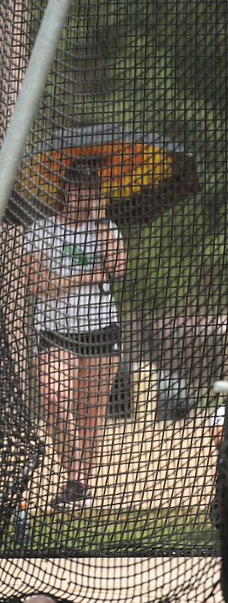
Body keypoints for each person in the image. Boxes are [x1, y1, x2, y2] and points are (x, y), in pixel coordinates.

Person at [23, 163, 127, 510]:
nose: (86, 196)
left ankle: (79, 485)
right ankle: (73, 474)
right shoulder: (40, 231)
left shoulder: (106, 228)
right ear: (65, 192)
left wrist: (99, 222)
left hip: (100, 328)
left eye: (93, 191)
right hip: (56, 331)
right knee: (54, 400)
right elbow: (39, 285)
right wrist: (87, 277)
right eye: (80, 189)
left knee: (90, 414)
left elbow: (118, 267)